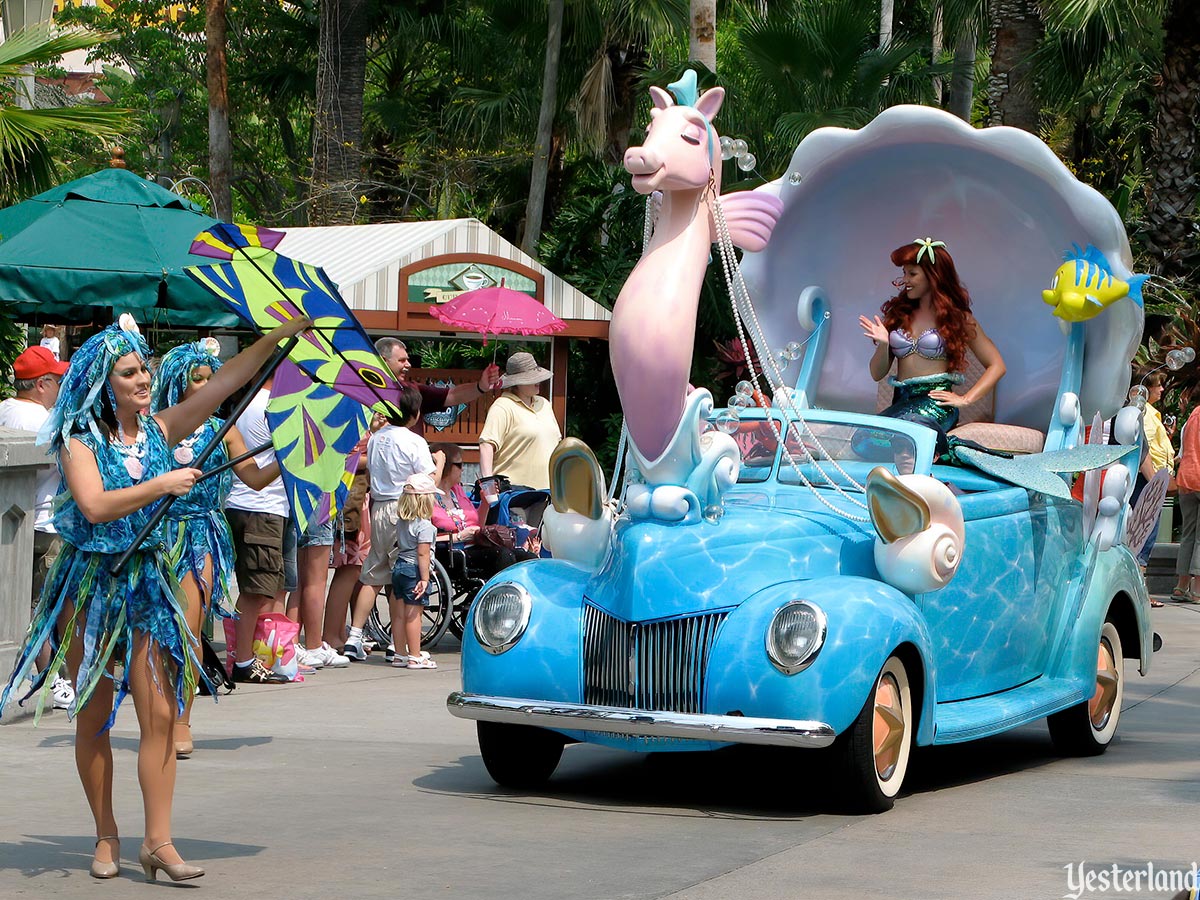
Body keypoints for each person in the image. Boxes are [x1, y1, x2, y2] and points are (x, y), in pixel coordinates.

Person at [0, 312, 310, 882]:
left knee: (161, 714)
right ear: (102, 382)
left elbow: (221, 385)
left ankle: (158, 842)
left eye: (145, 369)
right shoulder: (78, 441)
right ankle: (106, 835)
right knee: (93, 716)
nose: (144, 379)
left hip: (150, 582)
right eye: (129, 372)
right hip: (91, 586)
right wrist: (162, 484)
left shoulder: (161, 430)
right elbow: (93, 506)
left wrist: (278, 338)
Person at [150, 338, 282, 756]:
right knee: (153, 632)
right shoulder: (156, 429)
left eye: (211, 379)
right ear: (176, 382)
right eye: (196, 379)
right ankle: (156, 715)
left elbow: (256, 479)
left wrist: (288, 452)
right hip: (154, 535)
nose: (206, 386)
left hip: (199, 537)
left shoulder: (225, 431)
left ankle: (182, 720)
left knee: (189, 627)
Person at [858, 239, 1006, 452]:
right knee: (863, 441)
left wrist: (965, 399)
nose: (905, 280)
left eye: (912, 274)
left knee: (909, 432)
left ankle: (943, 450)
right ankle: (942, 450)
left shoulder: (958, 318)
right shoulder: (898, 315)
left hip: (935, 402)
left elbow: (997, 365)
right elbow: (876, 373)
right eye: (904, 273)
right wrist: (883, 344)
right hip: (902, 401)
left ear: (932, 275)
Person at [343, 390, 443, 661]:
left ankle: (355, 635)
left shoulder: (376, 438)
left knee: (373, 573)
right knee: (404, 571)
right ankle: (398, 646)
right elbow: (427, 480)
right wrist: (441, 463)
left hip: (378, 506)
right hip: (406, 509)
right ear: (415, 414)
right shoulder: (415, 441)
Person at [0, 345, 73, 709]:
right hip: (44, 524)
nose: (61, 384)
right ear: (41, 384)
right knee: (42, 607)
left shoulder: (4, 410)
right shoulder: (43, 421)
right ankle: (49, 678)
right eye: (57, 379)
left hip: (11, 523)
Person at [223, 371, 293, 685]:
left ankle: (255, 655)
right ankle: (243, 660)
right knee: (255, 591)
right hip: (258, 507)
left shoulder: (254, 403)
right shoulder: (268, 405)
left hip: (262, 505)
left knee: (264, 588)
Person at [429, 440, 537, 576]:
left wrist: (485, 503)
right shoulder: (427, 497)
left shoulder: (457, 491)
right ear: (445, 466)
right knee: (503, 555)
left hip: (478, 546)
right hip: (453, 553)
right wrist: (459, 537)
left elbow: (478, 525)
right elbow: (422, 538)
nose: (463, 469)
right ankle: (503, 595)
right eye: (459, 465)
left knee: (527, 557)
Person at [374, 336, 501, 436]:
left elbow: (453, 395)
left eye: (407, 359)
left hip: (413, 465)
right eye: (401, 360)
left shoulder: (413, 390)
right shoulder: (359, 392)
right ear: (383, 361)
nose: (408, 364)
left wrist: (481, 386)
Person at [478, 351, 562, 491]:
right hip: (515, 494)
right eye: (531, 377)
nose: (538, 381)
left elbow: (557, 444)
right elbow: (487, 445)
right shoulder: (503, 406)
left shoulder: (545, 404)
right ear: (517, 382)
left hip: (550, 492)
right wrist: (488, 485)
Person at [391, 473, 441, 669]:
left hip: (399, 567)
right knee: (414, 614)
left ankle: (399, 653)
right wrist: (425, 578)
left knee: (399, 614)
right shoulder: (425, 526)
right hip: (414, 570)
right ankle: (415, 655)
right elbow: (423, 554)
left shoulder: (403, 522)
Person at [1171, 399, 1200, 604]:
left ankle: (1181, 586)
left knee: (1188, 535)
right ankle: (1198, 590)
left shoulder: (1193, 415)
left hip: (1186, 478)